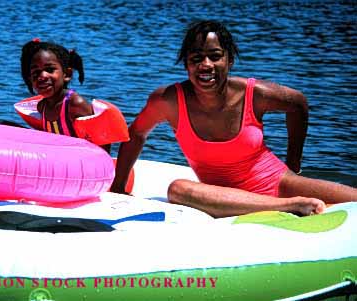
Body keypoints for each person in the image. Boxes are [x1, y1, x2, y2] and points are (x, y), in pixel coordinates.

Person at [110, 20, 356, 217]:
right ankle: (289, 206)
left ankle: (287, 202)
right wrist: (119, 186)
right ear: (186, 64)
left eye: (215, 56)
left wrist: (293, 163)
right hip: (220, 196)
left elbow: (298, 104)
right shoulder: (169, 100)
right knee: (179, 189)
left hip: (278, 183)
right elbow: (137, 132)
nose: (206, 65)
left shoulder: (254, 94)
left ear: (229, 60)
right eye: (196, 58)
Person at [20, 38, 128, 153]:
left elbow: (101, 144)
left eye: (50, 69)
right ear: (30, 79)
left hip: (81, 165)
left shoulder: (75, 105)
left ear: (67, 74)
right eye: (36, 73)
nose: (42, 76)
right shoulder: (42, 106)